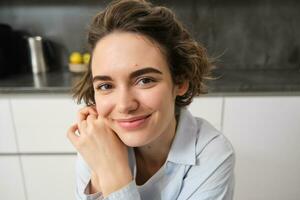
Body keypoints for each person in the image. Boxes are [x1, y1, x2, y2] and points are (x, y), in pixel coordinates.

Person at [67, 0, 235, 199]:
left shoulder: (212, 153)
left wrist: (113, 173)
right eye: (106, 86)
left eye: (145, 80)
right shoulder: (96, 142)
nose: (124, 105)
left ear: (180, 82)